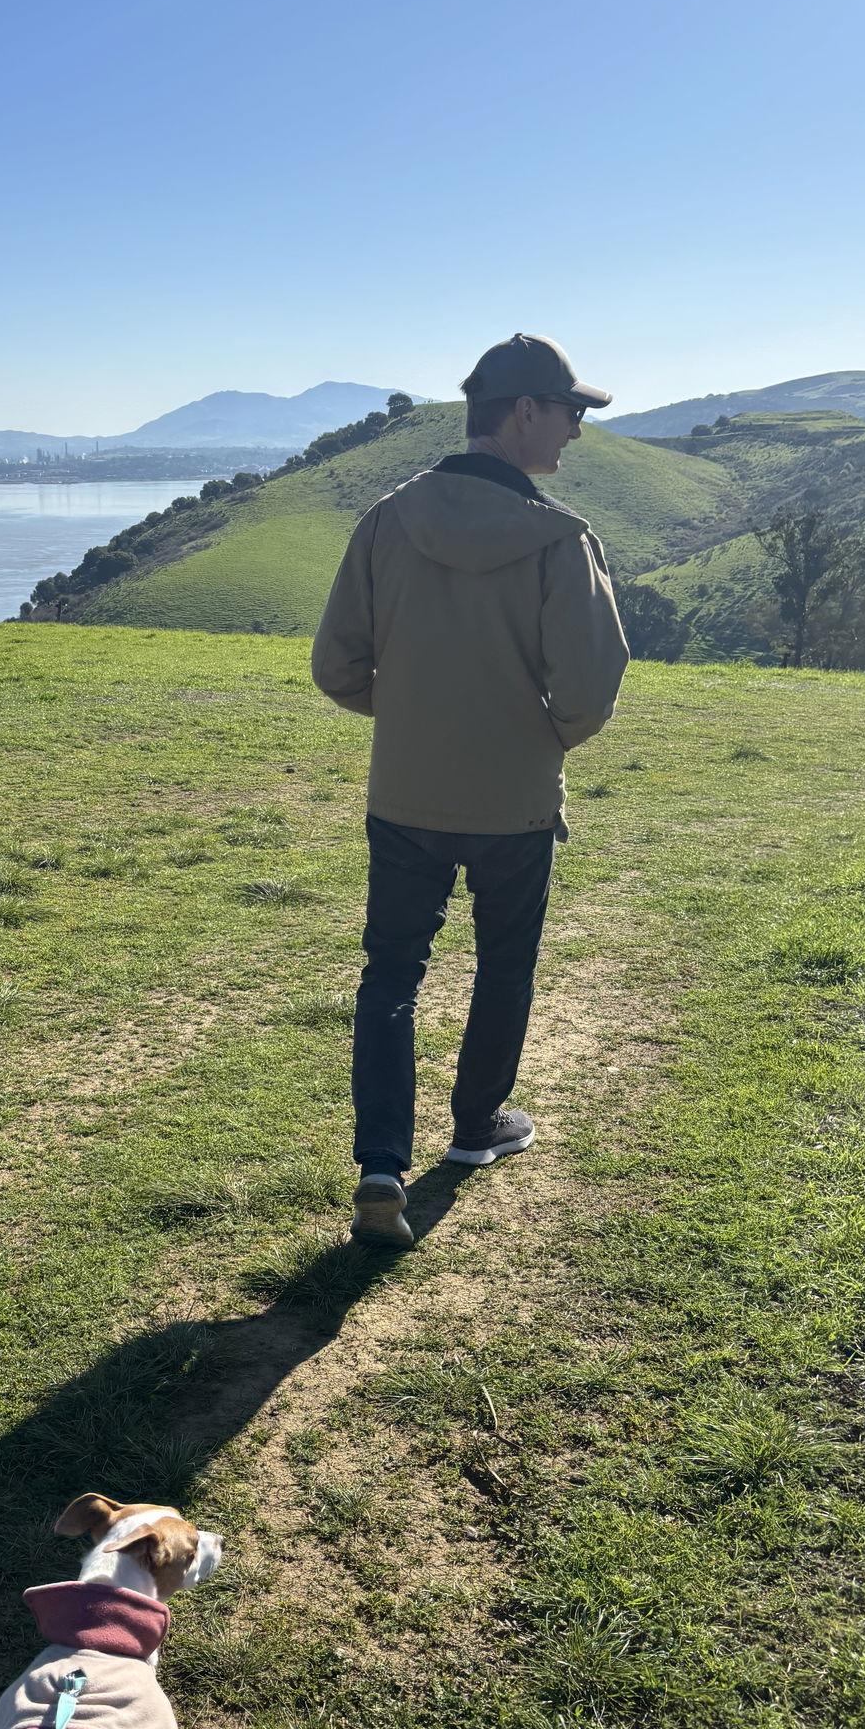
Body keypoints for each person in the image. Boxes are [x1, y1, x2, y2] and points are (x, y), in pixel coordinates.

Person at [311, 333, 631, 1248]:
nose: (575, 430)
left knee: (391, 974)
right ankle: (476, 1125)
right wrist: (529, 736)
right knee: (505, 963)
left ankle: (381, 1163)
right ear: (523, 412)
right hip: (515, 801)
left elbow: (337, 666)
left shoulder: (384, 521)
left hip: (403, 793)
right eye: (570, 412)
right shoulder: (561, 539)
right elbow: (589, 689)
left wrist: (413, 713)